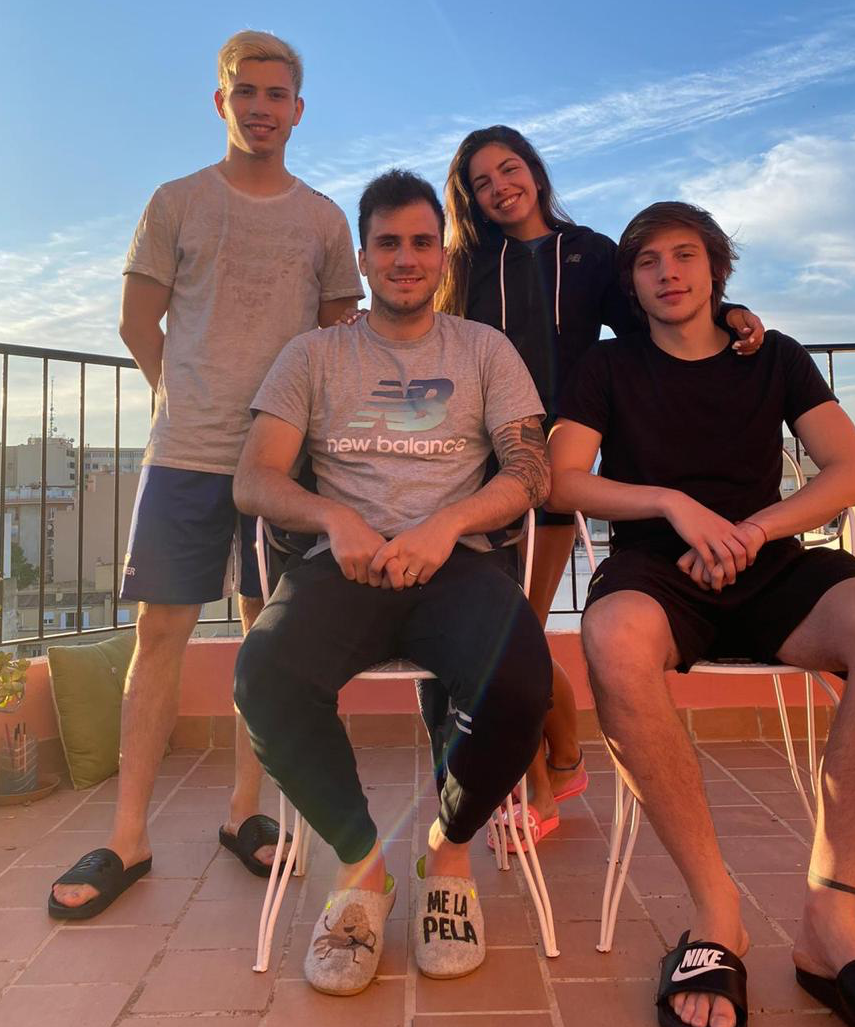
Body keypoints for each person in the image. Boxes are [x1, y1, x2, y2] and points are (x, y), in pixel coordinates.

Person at [547, 200, 855, 1027]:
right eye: (647, 261)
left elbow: (852, 471)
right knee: (611, 635)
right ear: (631, 283)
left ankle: (831, 917)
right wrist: (672, 503)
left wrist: (752, 530)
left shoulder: (773, 354)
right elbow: (563, 479)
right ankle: (717, 913)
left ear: (716, 269)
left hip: (771, 560)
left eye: (684, 255)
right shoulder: (608, 364)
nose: (667, 272)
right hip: (657, 570)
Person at [48, 30, 363, 920]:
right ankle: (127, 835)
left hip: (281, 466)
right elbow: (136, 323)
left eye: (277, 94)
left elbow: (338, 342)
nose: (262, 108)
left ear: (298, 110)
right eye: (246, 92)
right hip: (184, 455)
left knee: (267, 639)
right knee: (159, 635)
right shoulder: (176, 201)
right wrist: (180, 396)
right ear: (221, 101)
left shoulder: (324, 220)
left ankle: (243, 813)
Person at [232, 169, 553, 995]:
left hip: (457, 563)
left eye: (421, 242)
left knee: (522, 682)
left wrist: (446, 524)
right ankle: (362, 864)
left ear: (441, 255)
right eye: (388, 244)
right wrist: (335, 518)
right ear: (364, 257)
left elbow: (530, 471)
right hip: (343, 565)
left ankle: (448, 850)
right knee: (264, 673)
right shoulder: (314, 354)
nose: (405, 258)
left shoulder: (484, 350)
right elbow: (255, 479)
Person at [437, 125, 765, 850]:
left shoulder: (590, 253)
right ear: (471, 199)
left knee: (514, 630)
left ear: (534, 171)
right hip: (475, 467)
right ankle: (561, 755)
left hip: (557, 467)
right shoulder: (464, 265)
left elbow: (659, 314)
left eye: (509, 169)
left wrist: (728, 313)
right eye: (481, 182)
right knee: (505, 629)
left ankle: (537, 787)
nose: (499, 188)